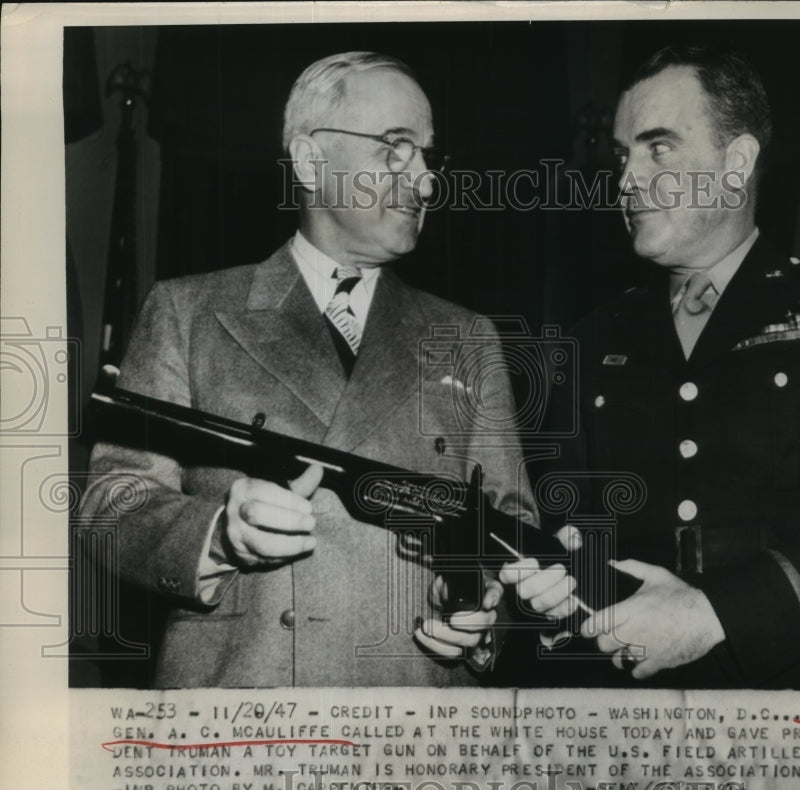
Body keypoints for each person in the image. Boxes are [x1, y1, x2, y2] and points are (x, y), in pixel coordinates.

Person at [80, 52, 535, 688]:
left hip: (417, 732)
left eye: (429, 157)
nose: (427, 181)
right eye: (396, 148)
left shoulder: (467, 338)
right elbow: (110, 504)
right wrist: (216, 535)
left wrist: (486, 615)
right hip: (240, 728)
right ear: (310, 161)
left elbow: (516, 533)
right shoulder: (187, 312)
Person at [501, 44, 800, 689]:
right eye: (622, 155)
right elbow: (564, 536)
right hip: (629, 709)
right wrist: (548, 602)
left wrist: (714, 614)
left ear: (737, 162)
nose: (627, 179)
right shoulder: (590, 339)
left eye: (658, 148)